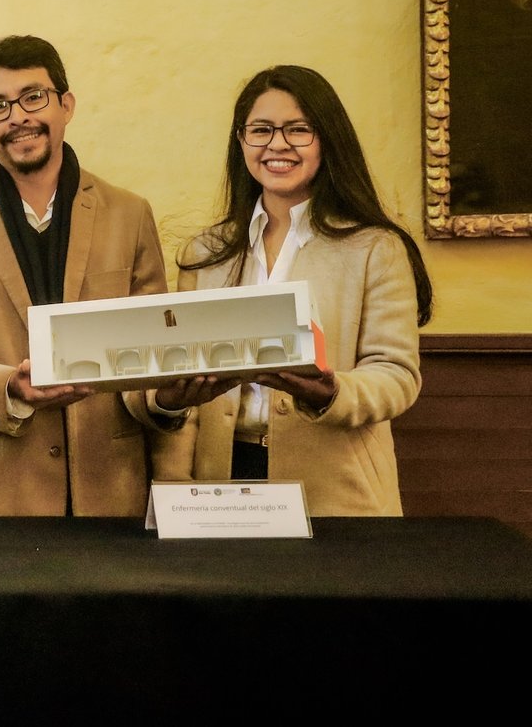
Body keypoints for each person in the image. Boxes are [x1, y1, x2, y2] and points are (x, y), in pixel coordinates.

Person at [0, 35, 191, 516]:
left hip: (109, 496)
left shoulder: (129, 213)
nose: (17, 117)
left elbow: (151, 353)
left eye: (33, 97)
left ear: (66, 105)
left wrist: (168, 397)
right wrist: (7, 388)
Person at [169, 65, 430, 515]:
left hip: (336, 490)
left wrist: (330, 392)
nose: (277, 144)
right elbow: (181, 387)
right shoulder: (204, 254)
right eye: (261, 130)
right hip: (218, 489)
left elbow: (397, 376)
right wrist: (175, 479)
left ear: (327, 140)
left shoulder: (376, 248)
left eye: (298, 130)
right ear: (241, 141)